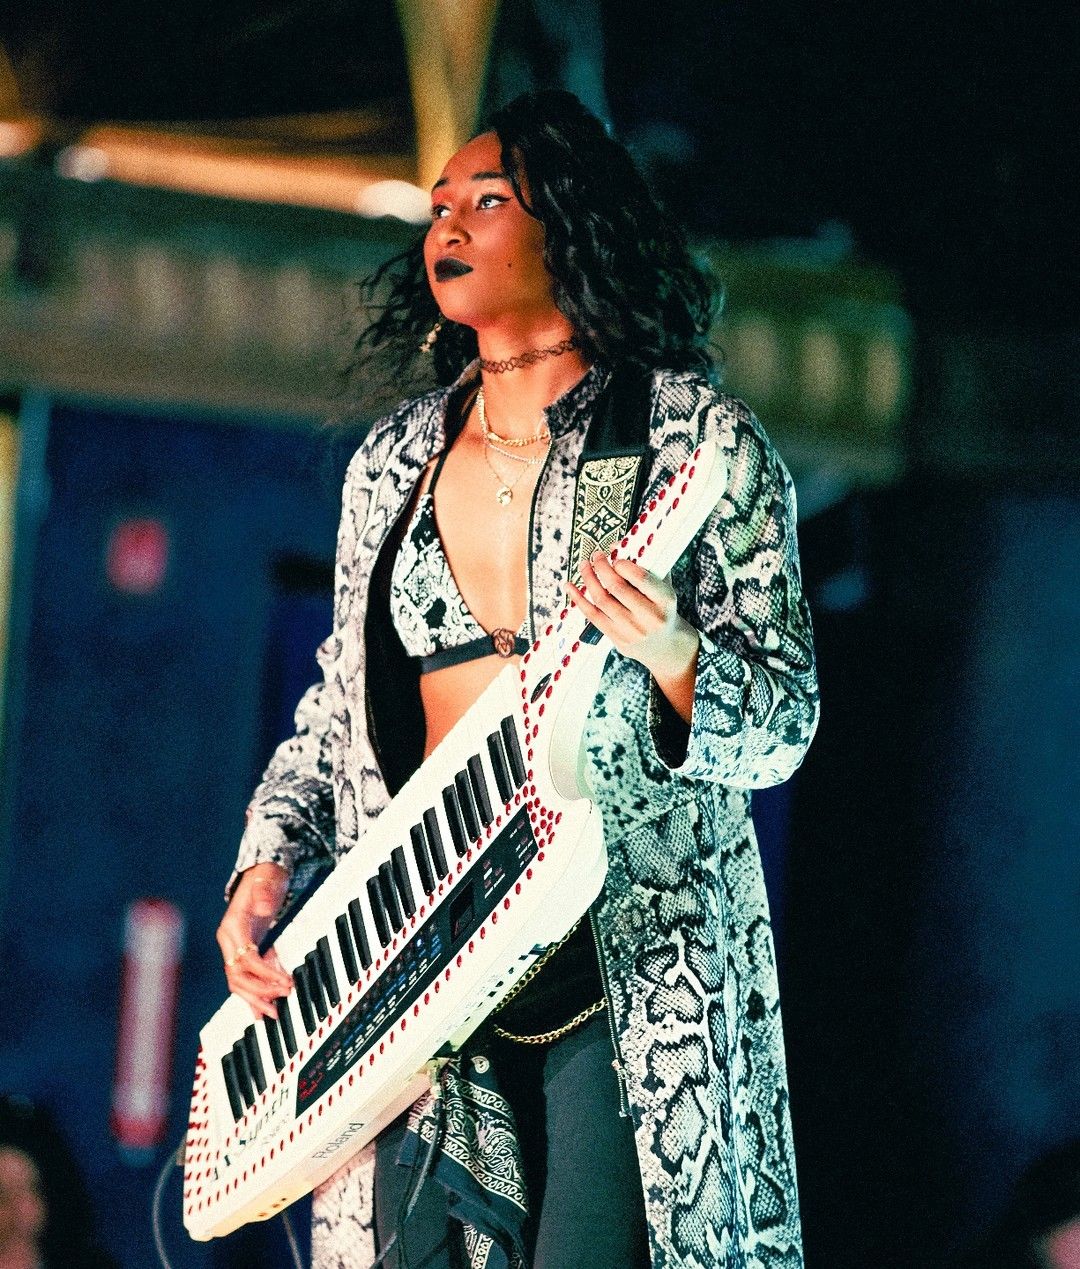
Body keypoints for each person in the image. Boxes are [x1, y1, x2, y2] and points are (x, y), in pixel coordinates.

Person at [216, 90, 818, 1269]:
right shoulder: (393, 462)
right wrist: (268, 858)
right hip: (423, 954)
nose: (448, 224)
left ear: (570, 226)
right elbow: (340, 704)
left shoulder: (693, 443)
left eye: (488, 200)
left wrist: (676, 655)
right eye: (440, 203)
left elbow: (785, 718)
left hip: (630, 955)